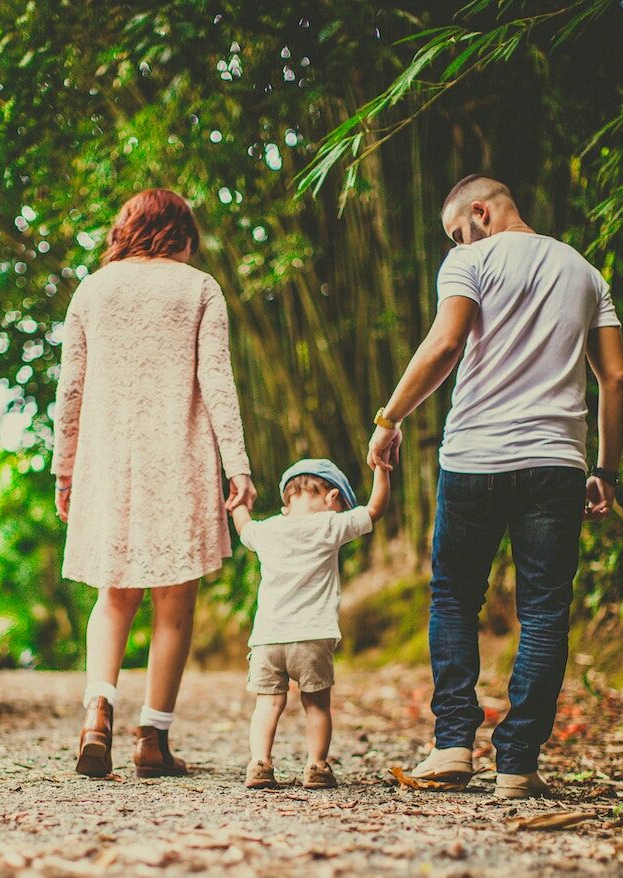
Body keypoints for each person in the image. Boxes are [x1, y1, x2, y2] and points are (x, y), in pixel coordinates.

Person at [367, 175, 623, 798]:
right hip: (557, 464)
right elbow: (615, 380)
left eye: (458, 228)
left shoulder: (471, 259)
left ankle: (453, 747)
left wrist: (389, 419)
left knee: (455, 598)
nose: (458, 240)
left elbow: (446, 342)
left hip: (476, 459)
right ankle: (517, 765)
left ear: (480, 212)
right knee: (544, 611)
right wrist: (607, 470)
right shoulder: (586, 272)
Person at [52, 188, 256, 779]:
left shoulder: (93, 288)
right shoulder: (198, 288)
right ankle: (152, 741)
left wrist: (65, 467)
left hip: (108, 460)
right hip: (180, 456)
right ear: (182, 234)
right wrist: (237, 466)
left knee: (113, 594)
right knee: (176, 603)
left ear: (127, 230)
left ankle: (97, 716)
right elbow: (218, 381)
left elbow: (71, 388)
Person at [232, 458, 390, 790]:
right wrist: (382, 470)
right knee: (316, 704)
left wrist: (241, 502)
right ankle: (316, 766)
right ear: (332, 498)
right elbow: (375, 508)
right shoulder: (329, 526)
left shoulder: (267, 530)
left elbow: (243, 525)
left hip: (268, 639)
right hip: (313, 636)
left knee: (268, 703)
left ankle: (260, 763)